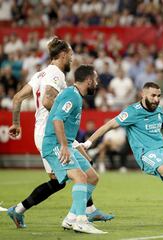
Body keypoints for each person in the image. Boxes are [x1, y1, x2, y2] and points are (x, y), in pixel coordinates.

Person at [7, 37, 112, 229]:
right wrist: (64, 112)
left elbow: (17, 98)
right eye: (70, 55)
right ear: (63, 55)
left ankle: (88, 210)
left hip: (53, 132)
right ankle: (77, 216)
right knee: (65, 179)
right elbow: (48, 100)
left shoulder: (39, 74)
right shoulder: (56, 74)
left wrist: (16, 123)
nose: (72, 60)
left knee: (79, 173)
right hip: (52, 133)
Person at [81, 82, 163, 224]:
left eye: (159, 96)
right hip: (146, 154)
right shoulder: (132, 111)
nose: (156, 99)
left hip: (162, 151)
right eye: (153, 95)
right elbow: (109, 125)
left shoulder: (159, 110)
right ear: (143, 95)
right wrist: (88, 143)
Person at [41, 64, 105, 234]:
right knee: (80, 177)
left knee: (92, 177)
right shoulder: (72, 95)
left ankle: (71, 218)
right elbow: (57, 119)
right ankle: (81, 221)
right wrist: (63, 146)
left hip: (66, 144)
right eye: (96, 79)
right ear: (89, 80)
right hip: (54, 144)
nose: (97, 83)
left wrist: (67, 145)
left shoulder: (75, 94)